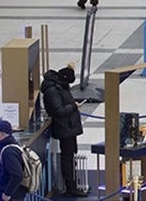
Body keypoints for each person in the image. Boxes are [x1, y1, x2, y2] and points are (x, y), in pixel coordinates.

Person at [43, 66, 85, 197]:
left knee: (71, 155)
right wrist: (73, 106)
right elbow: (58, 110)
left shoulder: (59, 86)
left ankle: (73, 183)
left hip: (69, 127)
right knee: (67, 157)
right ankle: (70, 186)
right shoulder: (52, 90)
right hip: (64, 128)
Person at [0, 119, 28, 201]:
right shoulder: (12, 146)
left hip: (12, 196)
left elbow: (17, 175)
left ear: (2, 134)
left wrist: (7, 194)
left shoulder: (8, 152)